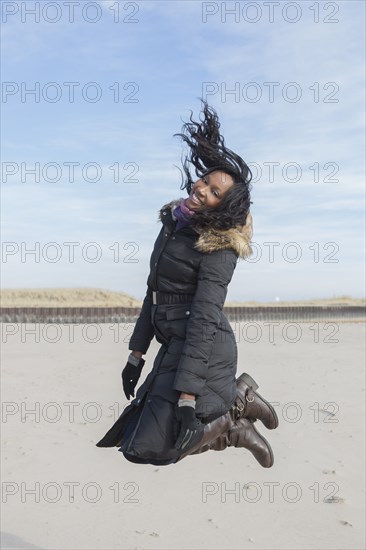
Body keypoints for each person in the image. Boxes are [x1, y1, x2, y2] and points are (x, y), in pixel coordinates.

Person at [96, 100, 279, 466]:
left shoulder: (220, 249)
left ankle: (235, 413)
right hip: (174, 341)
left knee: (162, 446)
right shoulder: (173, 228)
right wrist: (136, 355)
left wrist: (188, 395)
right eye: (205, 182)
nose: (203, 190)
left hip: (204, 348)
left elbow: (204, 318)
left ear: (221, 209)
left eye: (215, 193)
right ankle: (234, 411)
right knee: (138, 446)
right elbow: (154, 294)